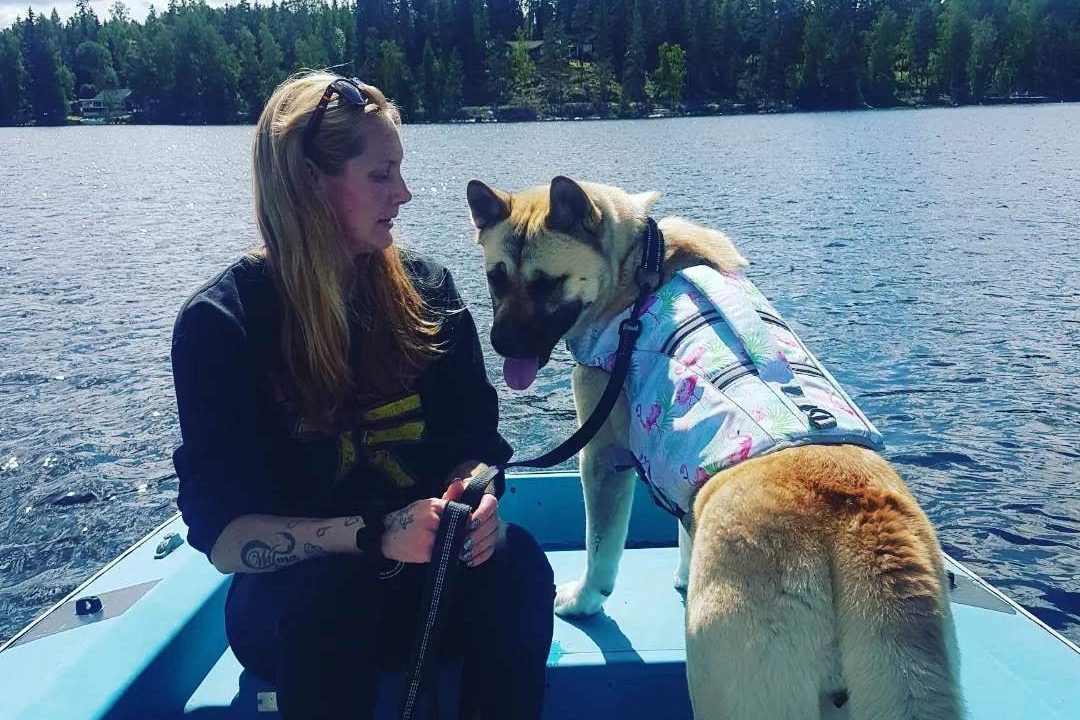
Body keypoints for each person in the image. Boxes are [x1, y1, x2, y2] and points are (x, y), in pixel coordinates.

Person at [170, 71, 554, 720]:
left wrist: (476, 496)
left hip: (427, 585)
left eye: (399, 171)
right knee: (332, 595)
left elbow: (475, 449)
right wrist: (374, 535)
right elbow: (228, 539)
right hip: (295, 609)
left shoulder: (430, 292)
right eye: (381, 175)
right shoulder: (222, 325)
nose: (403, 193)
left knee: (520, 570)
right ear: (308, 182)